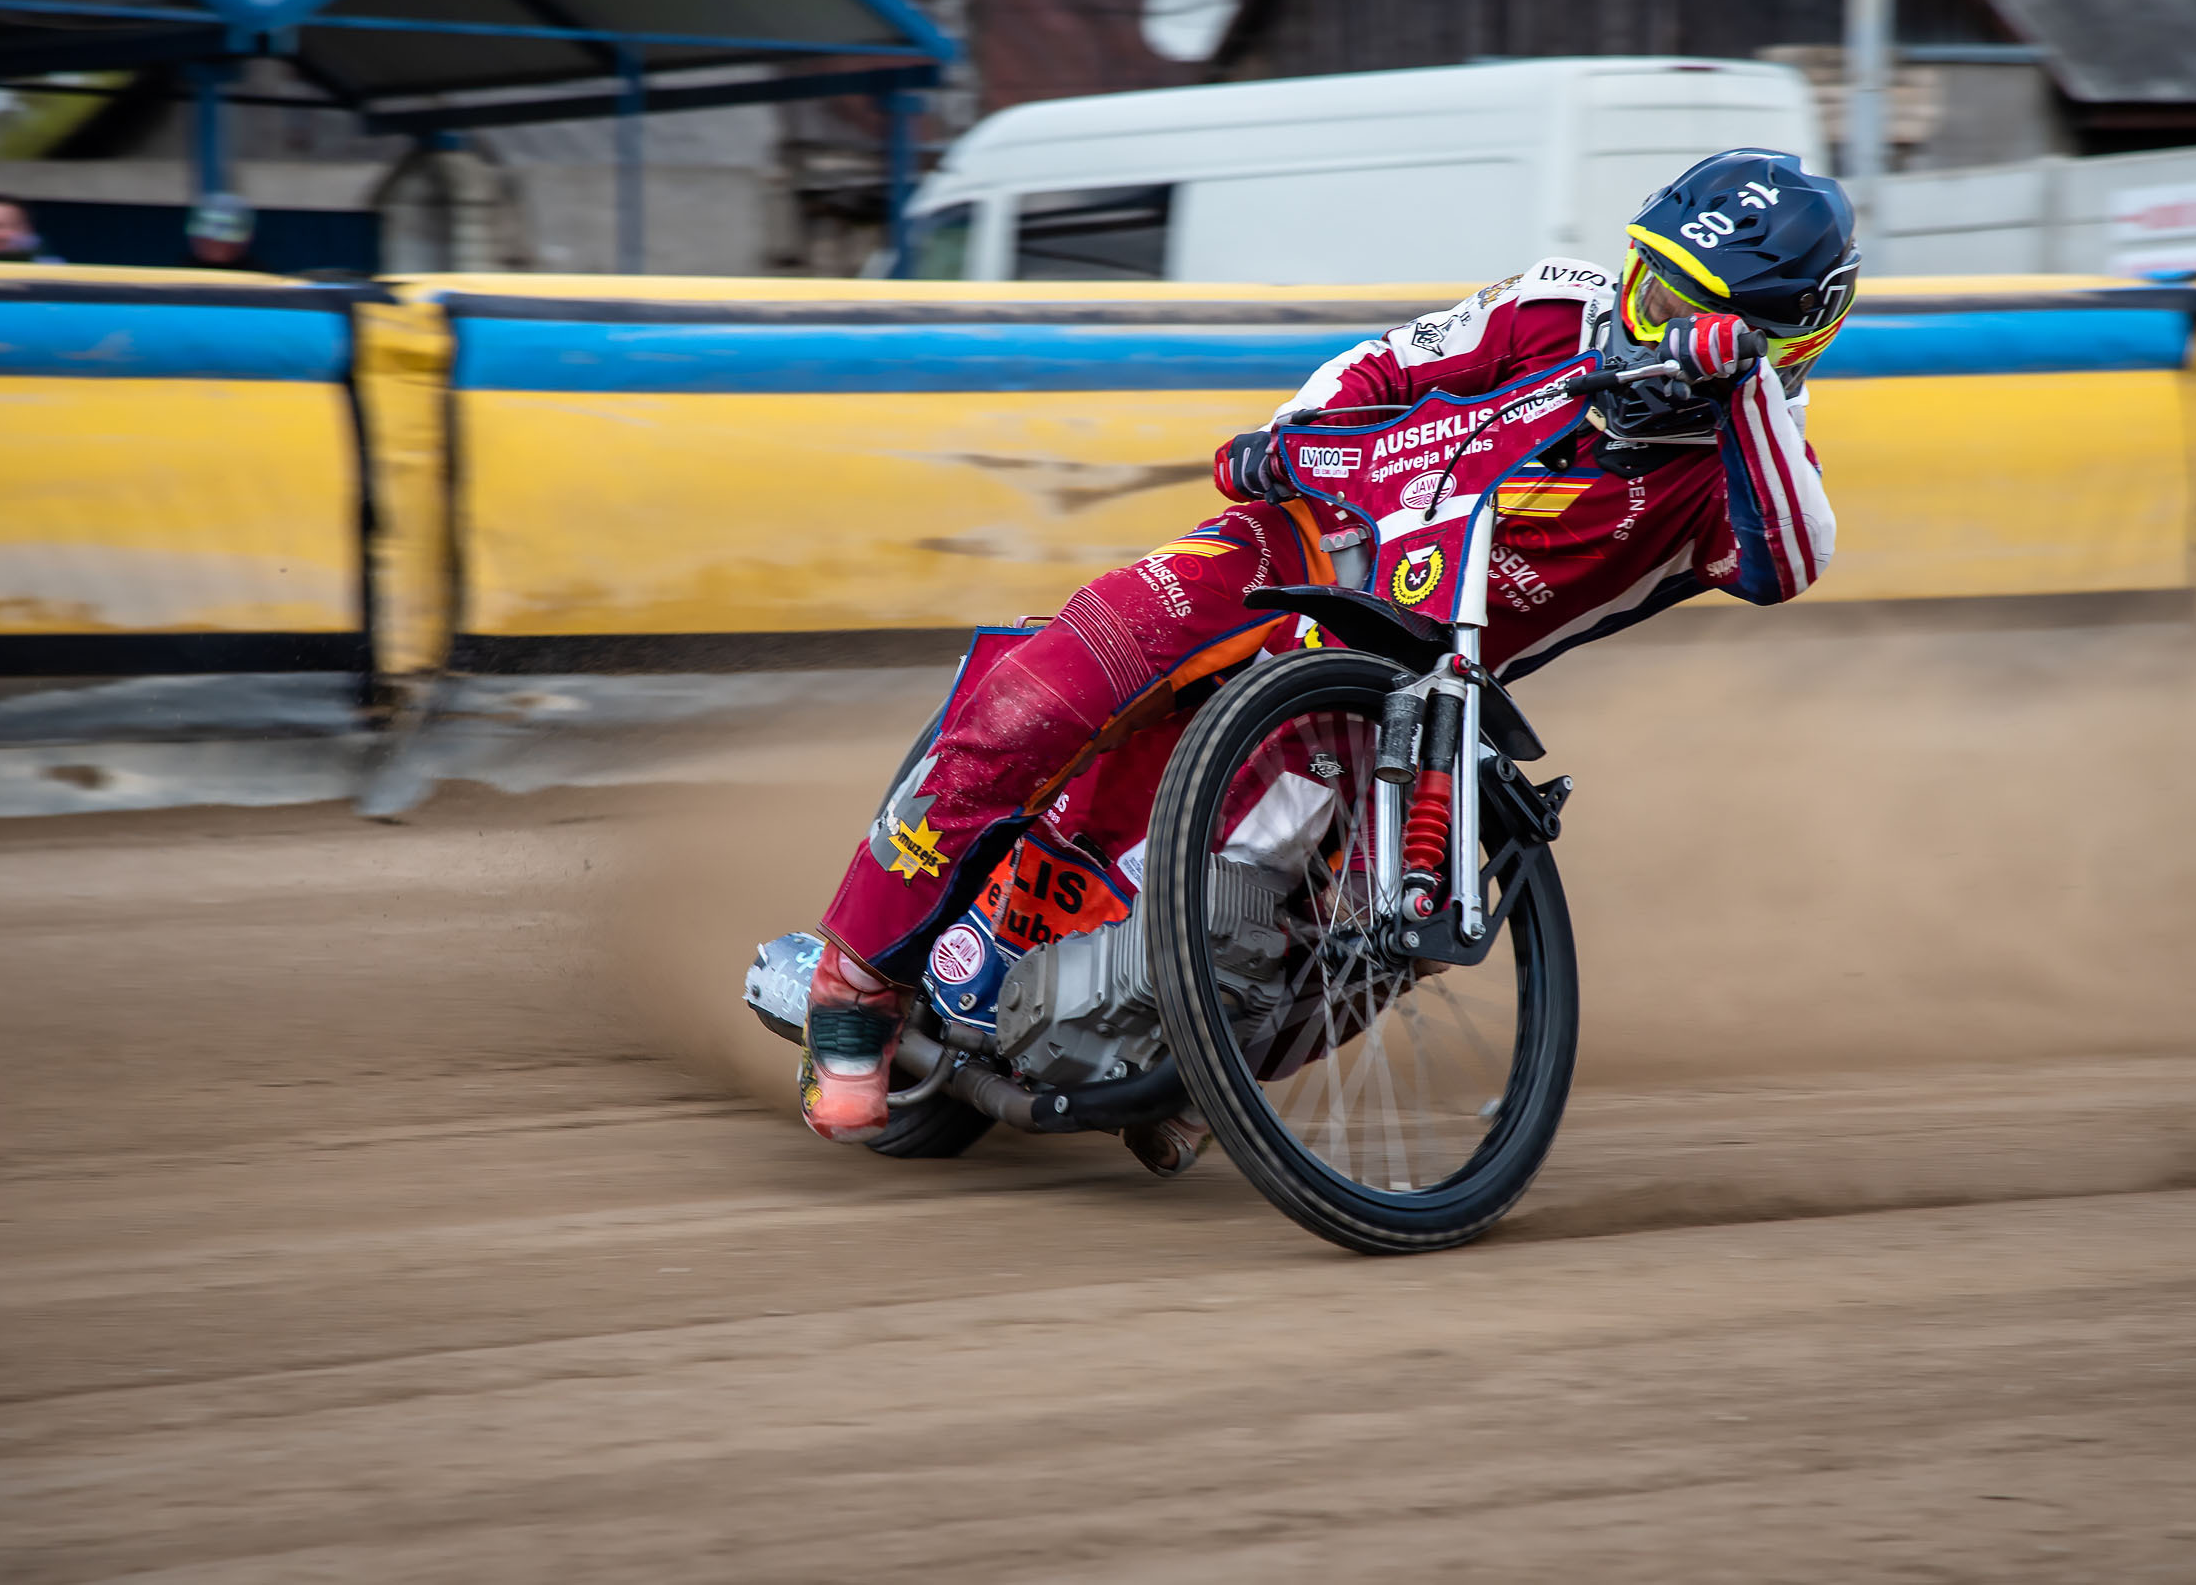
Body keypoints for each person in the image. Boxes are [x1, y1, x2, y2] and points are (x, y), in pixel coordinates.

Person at [766, 148, 1856, 1170]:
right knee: (1050, 688)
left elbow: (1790, 558)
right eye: (1643, 280)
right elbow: (1381, 366)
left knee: (1360, 932)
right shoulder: (1557, 304)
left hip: (1404, 688)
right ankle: (852, 981)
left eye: (1676, 307)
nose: (1638, 317)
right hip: (1295, 544)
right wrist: (1295, 439)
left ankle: (1192, 1066)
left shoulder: (1746, 469)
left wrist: (1744, 385)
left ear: (1781, 335)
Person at [185, 192, 259, 269]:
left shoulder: (262, 276)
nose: (215, 240)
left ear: (250, 238)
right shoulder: (176, 272)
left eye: (229, 227)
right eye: (207, 234)